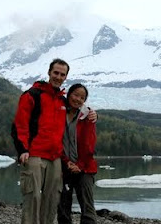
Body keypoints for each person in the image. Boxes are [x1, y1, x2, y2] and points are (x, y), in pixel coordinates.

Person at [13, 59, 97, 224]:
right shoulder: (33, 95)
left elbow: (80, 111)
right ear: (49, 72)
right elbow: (19, 125)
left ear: (66, 77)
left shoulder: (61, 100)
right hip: (35, 154)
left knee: (52, 200)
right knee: (33, 197)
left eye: (62, 74)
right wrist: (22, 149)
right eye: (56, 73)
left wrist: (94, 114)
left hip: (55, 159)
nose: (58, 77)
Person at [58, 83, 98, 224]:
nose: (78, 99)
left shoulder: (88, 116)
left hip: (85, 167)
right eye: (75, 95)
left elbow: (89, 145)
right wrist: (66, 162)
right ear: (69, 94)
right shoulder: (58, 113)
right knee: (63, 206)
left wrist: (79, 165)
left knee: (87, 206)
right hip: (64, 166)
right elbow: (56, 142)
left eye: (82, 97)